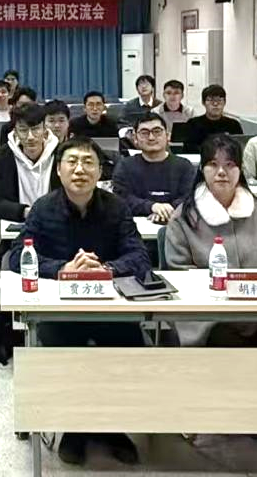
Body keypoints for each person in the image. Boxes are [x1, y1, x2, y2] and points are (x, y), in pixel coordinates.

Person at [8, 137, 150, 467]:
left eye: (88, 162)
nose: (80, 170)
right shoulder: (43, 208)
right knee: (67, 351)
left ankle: (112, 427)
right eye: (71, 162)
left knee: (124, 350)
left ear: (100, 171)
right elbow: (17, 257)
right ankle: (74, 427)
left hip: (110, 308)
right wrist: (63, 269)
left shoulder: (116, 207)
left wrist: (107, 269)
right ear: (58, 170)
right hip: (61, 310)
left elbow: (140, 256)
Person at [163, 134, 257, 346]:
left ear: (240, 169)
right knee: (227, 338)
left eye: (229, 165)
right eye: (213, 164)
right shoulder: (184, 217)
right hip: (206, 314)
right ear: (202, 169)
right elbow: (180, 275)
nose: (221, 172)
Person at [112, 113, 195, 224]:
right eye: (144, 133)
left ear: (168, 136)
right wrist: (152, 207)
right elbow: (120, 199)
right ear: (135, 138)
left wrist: (166, 210)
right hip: (135, 225)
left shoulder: (184, 166)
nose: (151, 137)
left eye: (157, 131)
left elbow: (190, 197)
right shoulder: (125, 166)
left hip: (176, 224)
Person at [0, 105, 60, 222]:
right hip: (20, 222)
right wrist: (26, 212)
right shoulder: (3, 157)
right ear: (15, 132)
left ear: (45, 130)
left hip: (56, 221)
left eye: (35, 129)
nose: (30, 137)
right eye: (23, 130)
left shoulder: (60, 154)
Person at [183, 84, 242, 152]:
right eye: (210, 100)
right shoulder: (193, 124)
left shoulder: (234, 125)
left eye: (219, 100)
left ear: (224, 102)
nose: (215, 104)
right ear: (203, 102)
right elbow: (188, 149)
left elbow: (239, 149)